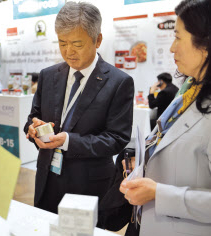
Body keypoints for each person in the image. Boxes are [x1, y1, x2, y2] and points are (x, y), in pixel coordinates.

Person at [24, 2, 134, 214]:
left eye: (77, 44)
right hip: (47, 180)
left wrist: (68, 142)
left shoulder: (119, 82)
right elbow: (34, 116)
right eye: (62, 43)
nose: (68, 52)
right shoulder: (48, 75)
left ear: (98, 40)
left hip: (88, 186)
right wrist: (32, 127)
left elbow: (116, 139)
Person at [120, 0, 211, 235]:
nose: (172, 48)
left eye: (179, 37)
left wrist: (158, 194)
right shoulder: (188, 92)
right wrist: (145, 166)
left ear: (205, 44)